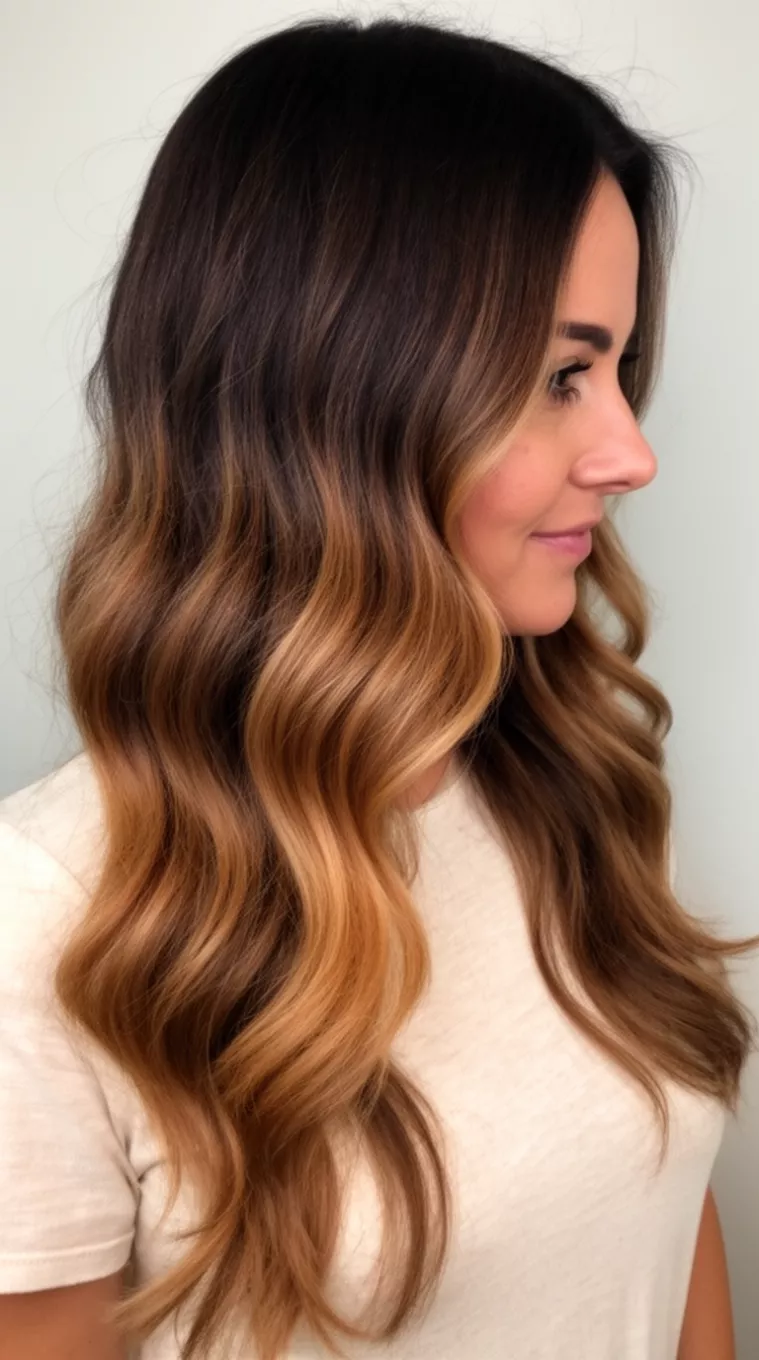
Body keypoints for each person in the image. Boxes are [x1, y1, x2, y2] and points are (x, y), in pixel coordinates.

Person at [0, 15, 756, 1360]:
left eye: (615, 369)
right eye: (560, 375)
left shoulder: (557, 774)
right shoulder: (53, 924)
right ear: (336, 401)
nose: (631, 453)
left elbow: (658, 1208)